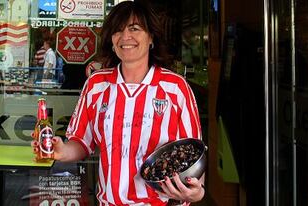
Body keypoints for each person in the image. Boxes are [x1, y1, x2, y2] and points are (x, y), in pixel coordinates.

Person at [32, 1, 204, 205]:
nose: (125, 37)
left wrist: (198, 192)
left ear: (151, 37)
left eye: (134, 29)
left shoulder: (175, 89)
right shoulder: (97, 85)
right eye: (117, 31)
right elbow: (81, 142)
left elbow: (194, 155)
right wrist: (61, 151)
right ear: (112, 41)